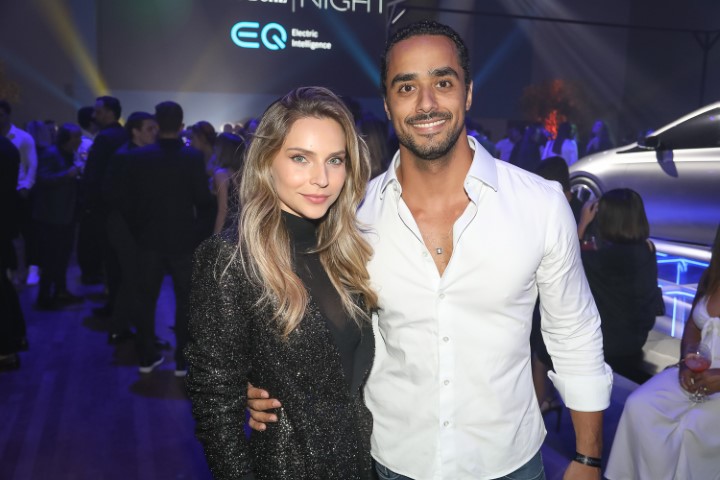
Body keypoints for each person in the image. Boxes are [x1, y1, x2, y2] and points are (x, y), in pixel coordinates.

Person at [249, 20, 611, 480]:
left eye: (442, 82)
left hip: (509, 462)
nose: (425, 103)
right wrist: (263, 381)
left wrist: (588, 456)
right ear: (387, 103)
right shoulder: (352, 216)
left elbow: (574, 332)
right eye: (406, 87)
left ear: (468, 93)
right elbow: (317, 323)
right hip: (391, 462)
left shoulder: (540, 204)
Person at [185, 86, 378, 480]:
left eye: (335, 160)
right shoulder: (231, 258)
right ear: (266, 161)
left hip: (360, 461)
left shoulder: (344, 250)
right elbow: (215, 407)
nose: (321, 179)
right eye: (300, 158)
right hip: (288, 466)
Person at [605, 225, 720, 480]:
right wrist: (687, 359)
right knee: (639, 406)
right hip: (698, 370)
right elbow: (693, 326)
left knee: (692, 432)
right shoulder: (712, 276)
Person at [118, 101, 214, 375]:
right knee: (185, 299)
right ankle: (182, 360)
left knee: (146, 299)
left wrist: (139, 229)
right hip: (183, 239)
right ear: (181, 125)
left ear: (157, 124)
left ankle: (146, 356)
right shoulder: (191, 157)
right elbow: (202, 200)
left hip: (148, 239)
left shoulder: (138, 157)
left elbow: (127, 203)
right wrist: (197, 230)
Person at [578, 188, 659, 383]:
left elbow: (566, 257)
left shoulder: (599, 258)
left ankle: (545, 395)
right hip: (636, 338)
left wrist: (582, 223)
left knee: (542, 335)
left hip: (604, 341)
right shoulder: (648, 248)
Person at [104, 112, 158, 345]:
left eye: (155, 128)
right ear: (135, 131)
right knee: (135, 278)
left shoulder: (132, 154)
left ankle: (122, 328)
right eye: (149, 128)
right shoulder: (126, 156)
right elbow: (118, 196)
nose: (155, 132)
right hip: (126, 226)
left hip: (130, 224)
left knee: (133, 278)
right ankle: (135, 333)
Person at [32, 123, 85, 309]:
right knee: (51, 258)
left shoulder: (68, 154)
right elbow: (42, 178)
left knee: (62, 256)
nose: (79, 140)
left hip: (65, 215)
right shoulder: (51, 153)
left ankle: (60, 291)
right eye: (76, 136)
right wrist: (67, 175)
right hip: (52, 216)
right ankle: (45, 297)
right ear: (65, 138)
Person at [0, 100, 39, 286]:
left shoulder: (23, 137)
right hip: (5, 191)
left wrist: (26, 187)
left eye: (1, 115)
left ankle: (32, 267)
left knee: (26, 232)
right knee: (8, 232)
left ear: (8, 115)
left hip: (18, 190)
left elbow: (32, 164)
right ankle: (11, 268)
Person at [211, 132, 244, 234]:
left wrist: (215, 238)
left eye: (217, 146)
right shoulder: (244, 173)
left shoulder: (221, 174)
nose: (214, 148)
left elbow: (223, 210)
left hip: (227, 229)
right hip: (242, 228)